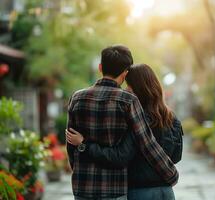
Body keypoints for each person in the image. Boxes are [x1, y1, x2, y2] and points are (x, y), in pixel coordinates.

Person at [66, 45, 178, 200]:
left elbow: (71, 145)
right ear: (125, 73)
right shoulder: (128, 101)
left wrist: (79, 170)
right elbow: (147, 143)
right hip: (114, 188)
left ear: (100, 67)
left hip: (83, 187)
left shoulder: (77, 97)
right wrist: (171, 174)